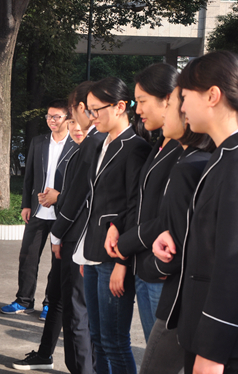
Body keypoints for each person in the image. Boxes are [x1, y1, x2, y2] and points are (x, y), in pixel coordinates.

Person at [153, 51, 238, 374]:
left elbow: (236, 265)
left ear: (212, 96)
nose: (181, 107)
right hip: (211, 332)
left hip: (230, 342)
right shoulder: (227, 155)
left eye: (184, 97)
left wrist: (212, 350)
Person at [13, 82, 104, 374]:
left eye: (78, 119)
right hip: (61, 234)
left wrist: (58, 203)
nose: (76, 127)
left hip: (79, 243)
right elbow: (32, 181)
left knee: (79, 313)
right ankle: (46, 355)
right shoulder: (60, 146)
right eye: (73, 121)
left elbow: (85, 201)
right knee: (57, 297)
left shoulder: (98, 148)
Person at [136, 86, 214, 374]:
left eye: (169, 105)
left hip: (175, 286)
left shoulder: (193, 164)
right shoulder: (189, 159)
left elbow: (179, 239)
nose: (140, 110)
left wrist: (151, 263)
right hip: (175, 285)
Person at [77, 77, 151, 374]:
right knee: (97, 337)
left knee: (115, 342)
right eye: (89, 110)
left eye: (96, 110)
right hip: (94, 253)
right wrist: (84, 253)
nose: (92, 116)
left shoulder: (136, 148)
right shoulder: (101, 144)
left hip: (115, 256)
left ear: (121, 107)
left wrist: (123, 262)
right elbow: (95, 201)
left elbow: (136, 206)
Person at [106, 63, 183, 343]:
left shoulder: (186, 152)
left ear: (169, 100)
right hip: (144, 264)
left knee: (164, 364)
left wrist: (124, 247)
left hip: (160, 268)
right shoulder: (161, 145)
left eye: (142, 101)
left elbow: (168, 218)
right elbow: (138, 201)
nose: (137, 110)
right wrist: (117, 225)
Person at [1, 99, 77, 319]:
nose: (51, 120)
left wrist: (59, 199)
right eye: (48, 116)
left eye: (56, 116)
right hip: (37, 212)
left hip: (61, 213)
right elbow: (29, 177)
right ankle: (23, 300)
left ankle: (50, 304)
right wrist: (26, 204)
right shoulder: (39, 142)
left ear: (67, 118)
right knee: (27, 257)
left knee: (58, 261)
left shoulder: (76, 144)